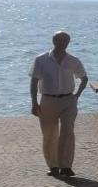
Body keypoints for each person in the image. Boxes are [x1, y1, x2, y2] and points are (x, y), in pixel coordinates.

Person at [29, 31, 89, 178]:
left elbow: (84, 78)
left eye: (65, 41)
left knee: (68, 132)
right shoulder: (41, 60)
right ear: (54, 41)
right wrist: (34, 102)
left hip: (68, 100)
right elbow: (34, 81)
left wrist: (77, 96)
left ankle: (66, 166)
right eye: (60, 40)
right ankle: (53, 166)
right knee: (49, 134)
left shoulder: (73, 60)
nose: (63, 43)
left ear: (68, 42)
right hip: (47, 100)